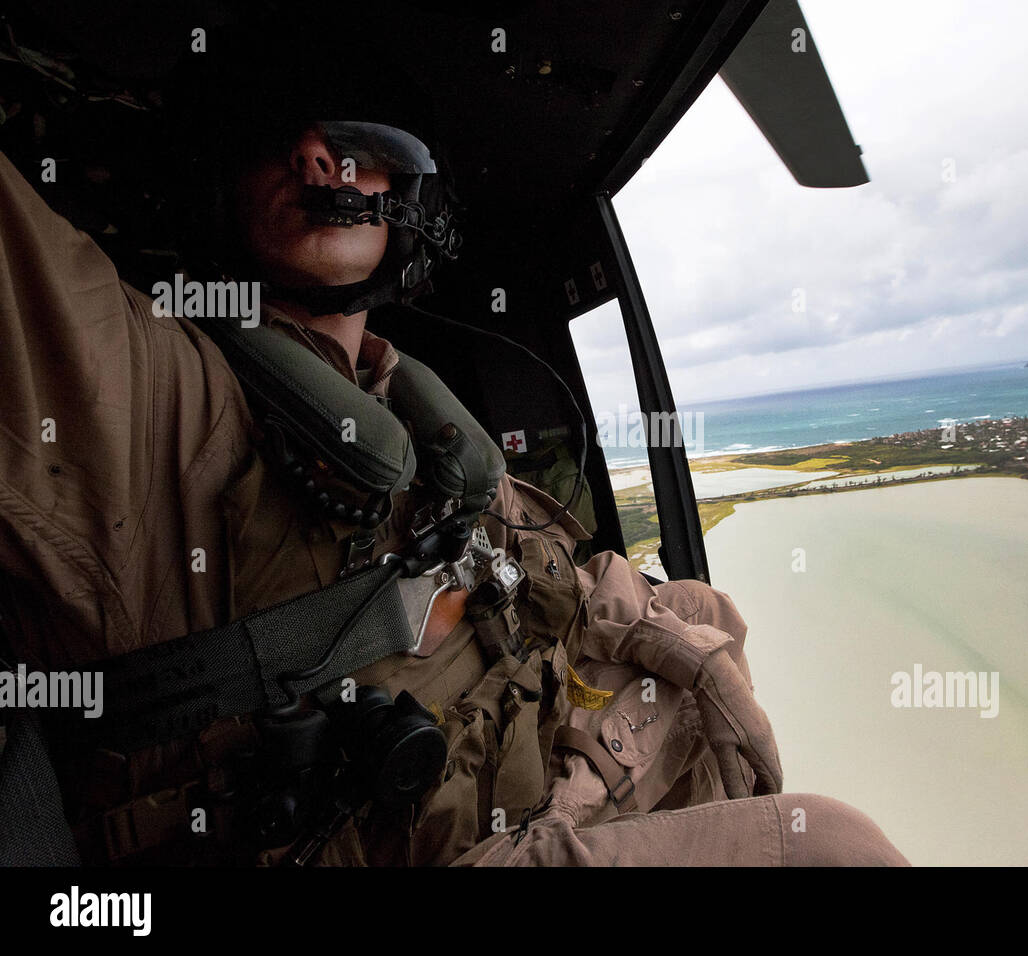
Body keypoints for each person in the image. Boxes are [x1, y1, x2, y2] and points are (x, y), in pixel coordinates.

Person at [0, 108, 908, 866]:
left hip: (534, 771)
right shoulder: (160, 398)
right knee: (833, 849)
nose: (320, 158)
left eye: (354, 137)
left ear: (411, 198)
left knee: (698, 604)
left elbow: (555, 571)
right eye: (282, 146)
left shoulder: (414, 420)